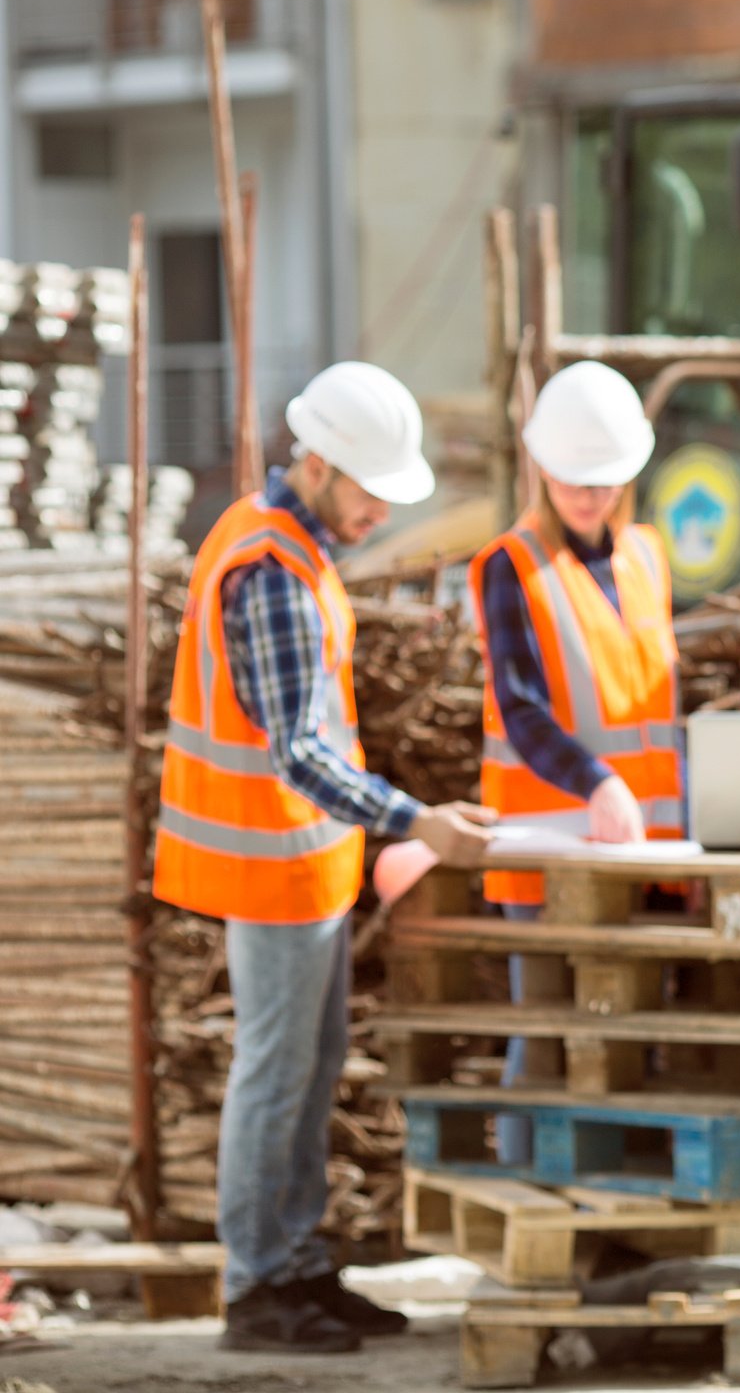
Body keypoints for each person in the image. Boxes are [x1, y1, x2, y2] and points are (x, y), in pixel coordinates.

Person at [155, 361, 495, 1354]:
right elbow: (296, 751)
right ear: (319, 463)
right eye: (369, 488)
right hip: (270, 865)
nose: (380, 508)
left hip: (302, 865)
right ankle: (260, 1286)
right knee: (277, 1075)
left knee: (304, 1071)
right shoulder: (271, 568)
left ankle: (297, 1265)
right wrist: (415, 819)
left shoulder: (286, 547)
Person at [472, 360, 682, 1162]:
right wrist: (597, 782)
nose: (588, 497)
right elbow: (519, 706)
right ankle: (530, 1182)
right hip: (550, 843)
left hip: (648, 846)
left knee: (624, 1033)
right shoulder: (510, 565)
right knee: (549, 1030)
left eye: (603, 482)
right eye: (571, 481)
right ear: (542, 471)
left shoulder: (647, 557)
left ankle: (608, 1187)